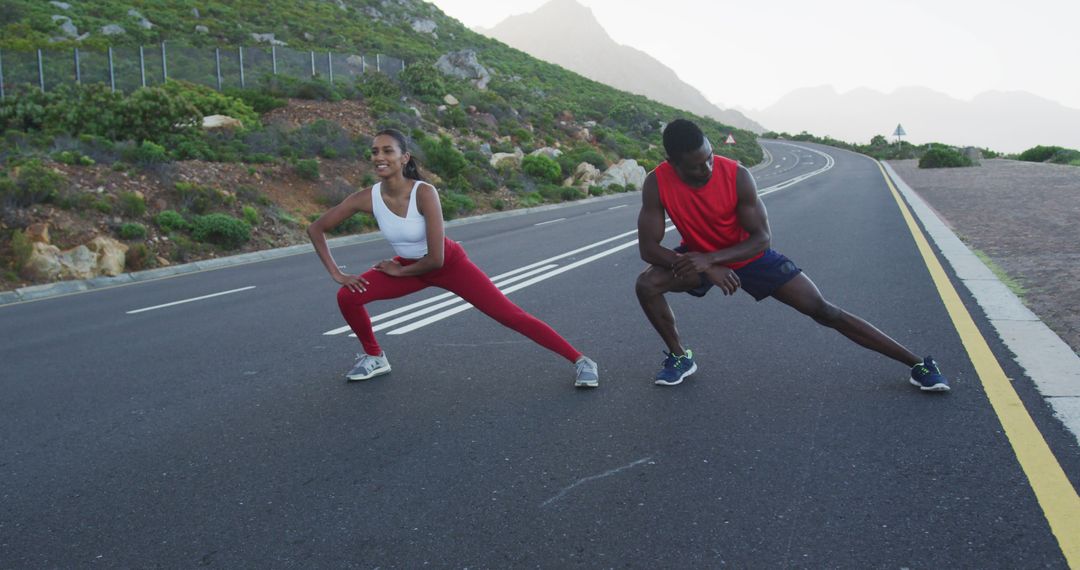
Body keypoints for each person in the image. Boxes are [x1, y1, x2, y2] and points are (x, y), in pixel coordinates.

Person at [634, 119, 949, 391]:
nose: (706, 169)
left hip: (747, 255)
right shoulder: (657, 182)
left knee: (823, 309)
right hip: (698, 258)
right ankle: (679, 356)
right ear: (672, 162)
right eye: (695, 166)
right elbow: (648, 248)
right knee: (647, 285)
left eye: (710, 159)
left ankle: (918, 365)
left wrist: (712, 260)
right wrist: (705, 264)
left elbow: (761, 239)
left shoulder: (737, 176)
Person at [308, 128, 599, 388]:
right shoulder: (365, 198)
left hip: (448, 264)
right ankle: (375, 356)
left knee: (509, 315)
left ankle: (581, 361)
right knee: (348, 296)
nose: (379, 157)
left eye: (387, 150)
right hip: (409, 267)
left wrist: (397, 272)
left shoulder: (424, 193)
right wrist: (338, 273)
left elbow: (436, 260)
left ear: (404, 157)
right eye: (374, 151)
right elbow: (316, 228)